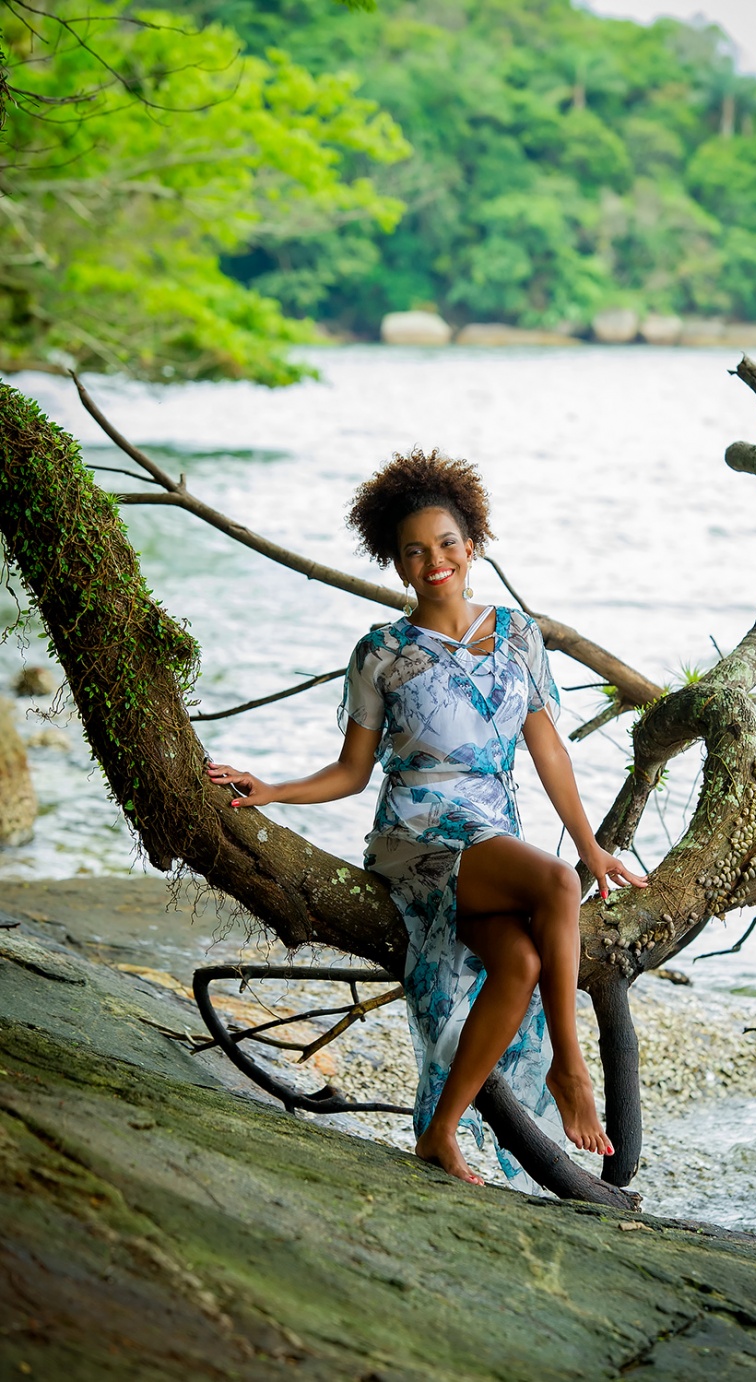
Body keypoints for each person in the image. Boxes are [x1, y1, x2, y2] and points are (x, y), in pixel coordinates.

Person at [207, 448, 646, 1187]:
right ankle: (572, 1069)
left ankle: (440, 1133)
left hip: (490, 825)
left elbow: (548, 752)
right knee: (557, 889)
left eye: (446, 544)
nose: (434, 560)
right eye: (415, 552)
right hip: (416, 834)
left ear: (471, 546)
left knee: (523, 961)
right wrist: (274, 789)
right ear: (399, 565)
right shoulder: (381, 652)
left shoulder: (518, 636)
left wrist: (591, 845)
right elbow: (353, 772)